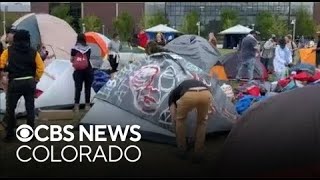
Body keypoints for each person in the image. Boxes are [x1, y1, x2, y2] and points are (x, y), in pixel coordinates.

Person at [0, 29, 45, 142]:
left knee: (10, 109)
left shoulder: (8, 51)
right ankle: (30, 134)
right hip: (29, 82)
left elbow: (1, 63)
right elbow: (41, 67)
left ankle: (10, 134)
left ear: (15, 39)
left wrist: (4, 73)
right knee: (30, 109)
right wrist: (36, 79)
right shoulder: (34, 52)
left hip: (14, 82)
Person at [168, 79, 214, 163]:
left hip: (189, 94)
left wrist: (174, 129)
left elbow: (173, 116)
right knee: (202, 122)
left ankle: (182, 150)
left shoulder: (172, 96)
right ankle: (198, 153)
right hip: (206, 93)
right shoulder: (187, 84)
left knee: (180, 121)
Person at [70, 33, 93, 112]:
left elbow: (72, 60)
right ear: (84, 39)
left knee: (78, 88)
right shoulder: (88, 48)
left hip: (78, 71)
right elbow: (88, 59)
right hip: (88, 70)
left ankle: (76, 107)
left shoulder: (74, 49)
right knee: (87, 88)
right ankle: (87, 105)